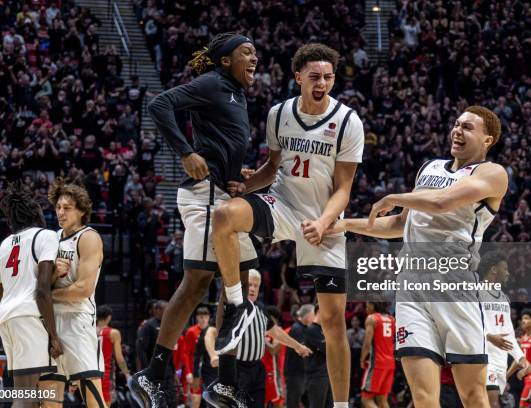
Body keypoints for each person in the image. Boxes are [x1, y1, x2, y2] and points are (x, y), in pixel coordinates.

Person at [210, 43, 364, 408]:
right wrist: (246, 186)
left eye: (328, 77)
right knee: (224, 215)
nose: (323, 82)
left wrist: (326, 221)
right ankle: (235, 306)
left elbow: (344, 188)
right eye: (315, 76)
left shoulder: (347, 121)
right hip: (282, 204)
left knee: (332, 322)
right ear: (298, 78)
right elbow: (271, 168)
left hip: (323, 218)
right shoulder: (279, 114)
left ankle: (341, 405)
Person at [327, 106, 507, 407]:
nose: (457, 131)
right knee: (422, 396)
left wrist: (393, 196)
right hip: (411, 287)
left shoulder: (492, 173)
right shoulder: (430, 169)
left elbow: (441, 202)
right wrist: (343, 225)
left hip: (454, 286)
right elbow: (399, 224)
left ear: (487, 140)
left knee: (474, 395)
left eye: (468, 128)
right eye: (456, 124)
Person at [129, 31, 259, 408]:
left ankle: (226, 383)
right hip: (205, 198)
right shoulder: (212, 83)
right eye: (246, 53)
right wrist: (185, 152)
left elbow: (222, 142)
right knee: (197, 284)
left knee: (240, 278)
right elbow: (160, 104)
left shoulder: (236, 92)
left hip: (223, 194)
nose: (254, 59)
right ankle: (153, 376)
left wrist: (239, 170)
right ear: (224, 61)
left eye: (256, 53)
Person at [0, 182, 62, 406]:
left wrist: (5, 327)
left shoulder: (1, 247)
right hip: (29, 317)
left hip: (5, 319)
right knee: (27, 397)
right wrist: (54, 335)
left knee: (25, 395)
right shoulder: (46, 236)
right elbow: (41, 291)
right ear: (36, 213)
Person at [203, 270, 311, 407]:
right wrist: (213, 356)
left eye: (256, 285)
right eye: (250, 284)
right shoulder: (233, 305)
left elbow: (275, 332)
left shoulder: (261, 308)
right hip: (237, 367)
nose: (253, 288)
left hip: (257, 368)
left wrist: (297, 346)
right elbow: (210, 332)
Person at [43, 179, 105, 408]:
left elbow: (83, 289)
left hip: (77, 320)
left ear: (81, 210)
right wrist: (51, 277)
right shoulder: (51, 238)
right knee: (49, 397)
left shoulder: (88, 237)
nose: (60, 212)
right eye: (58, 207)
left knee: (92, 396)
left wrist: (45, 298)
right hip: (50, 322)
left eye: (67, 208)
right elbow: (41, 285)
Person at [478, 251, 526, 408]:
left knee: (483, 403)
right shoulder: (475, 293)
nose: (508, 273)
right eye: (505, 268)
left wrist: (520, 357)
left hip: (501, 360)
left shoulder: (504, 298)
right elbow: (467, 325)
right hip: (483, 357)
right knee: (493, 404)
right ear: (493, 269)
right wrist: (488, 336)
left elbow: (509, 333)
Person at [135, 301, 177, 407]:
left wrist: (173, 371)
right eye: (166, 309)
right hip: (154, 372)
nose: (169, 311)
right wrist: (147, 370)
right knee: (157, 402)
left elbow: (169, 350)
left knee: (172, 401)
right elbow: (141, 350)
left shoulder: (169, 324)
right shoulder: (148, 325)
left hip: (168, 373)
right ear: (158, 310)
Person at [360, 302, 395, 408]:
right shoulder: (392, 319)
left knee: (366, 399)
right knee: (382, 400)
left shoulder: (372, 318)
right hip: (390, 363)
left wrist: (362, 359)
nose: (366, 309)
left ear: (373, 305)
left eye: (367, 306)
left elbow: (367, 344)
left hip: (377, 363)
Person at [508, 309, 531, 408]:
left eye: (526, 318)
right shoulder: (523, 338)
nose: (523, 321)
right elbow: (518, 359)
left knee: (523, 405)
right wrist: (506, 376)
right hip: (528, 378)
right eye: (522, 318)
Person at [96, 305, 131, 407]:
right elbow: (119, 359)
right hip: (105, 374)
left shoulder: (88, 331)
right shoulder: (113, 333)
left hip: (89, 375)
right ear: (109, 317)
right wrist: (127, 374)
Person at [285, 304, 315, 408]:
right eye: (313, 315)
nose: (315, 318)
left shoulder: (304, 328)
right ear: (306, 315)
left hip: (302, 373)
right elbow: (304, 351)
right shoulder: (297, 328)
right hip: (295, 374)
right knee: (293, 403)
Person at [305, 304, 333, 407]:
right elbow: (329, 349)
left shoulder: (325, 330)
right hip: (316, 375)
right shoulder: (312, 330)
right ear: (319, 311)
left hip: (326, 374)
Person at [183, 306, 211, 408]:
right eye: (201, 317)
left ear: (209, 317)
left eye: (205, 317)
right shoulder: (191, 332)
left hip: (209, 372)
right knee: (195, 401)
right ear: (197, 318)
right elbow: (185, 353)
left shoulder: (212, 331)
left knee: (210, 401)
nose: (203, 319)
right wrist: (188, 372)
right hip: (196, 372)